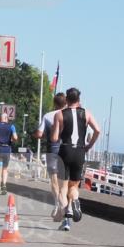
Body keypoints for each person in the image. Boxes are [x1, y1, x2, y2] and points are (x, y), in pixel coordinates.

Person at [51, 87, 100, 232]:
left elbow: (54, 138)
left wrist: (58, 132)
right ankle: (76, 201)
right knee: (73, 186)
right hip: (79, 151)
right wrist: (89, 145)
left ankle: (67, 212)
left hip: (65, 150)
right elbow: (98, 130)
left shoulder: (59, 114)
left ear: (66, 99)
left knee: (62, 188)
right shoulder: (86, 114)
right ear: (79, 100)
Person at [34, 92, 68, 220]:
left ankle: (57, 204)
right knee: (64, 183)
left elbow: (38, 133)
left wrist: (42, 135)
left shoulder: (48, 116)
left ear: (54, 103)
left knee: (54, 181)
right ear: (65, 103)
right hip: (66, 151)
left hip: (52, 150)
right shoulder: (68, 116)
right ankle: (64, 205)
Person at [0, 112, 18, 195]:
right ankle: (4, 186)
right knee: (5, 169)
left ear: (0, 119)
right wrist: (11, 139)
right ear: (6, 118)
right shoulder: (11, 126)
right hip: (7, 149)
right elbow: (15, 138)